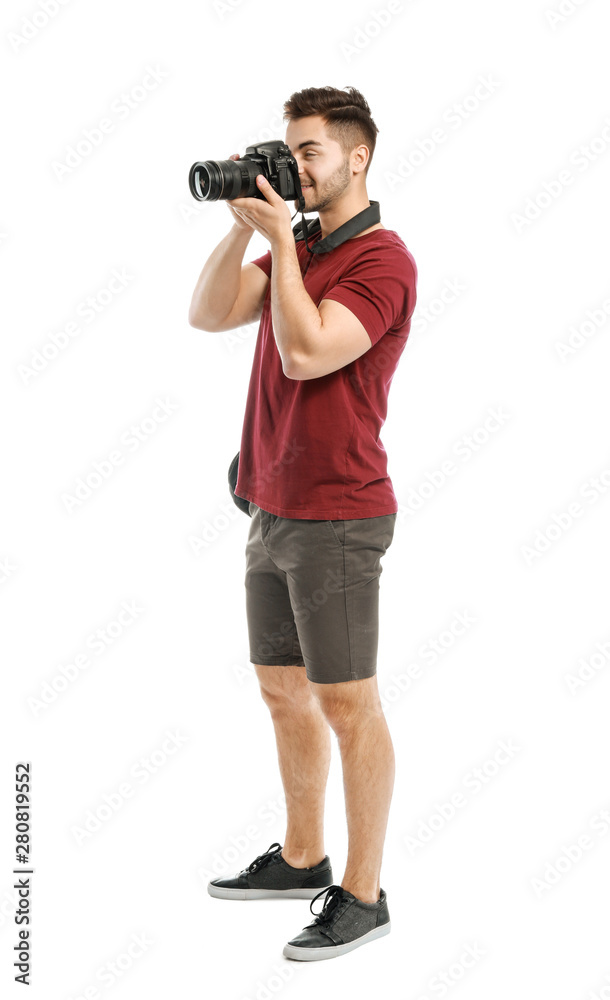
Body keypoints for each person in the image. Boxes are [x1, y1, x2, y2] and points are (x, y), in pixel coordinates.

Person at [188, 85, 417, 962]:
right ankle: (300, 854)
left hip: (339, 517)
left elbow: (307, 350)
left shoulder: (382, 259)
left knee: (347, 702)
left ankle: (363, 894)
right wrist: (249, 225)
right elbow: (209, 313)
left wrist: (283, 239)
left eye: (309, 155)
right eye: (287, 153)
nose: (295, 169)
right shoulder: (301, 242)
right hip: (270, 505)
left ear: (357, 158)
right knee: (282, 691)